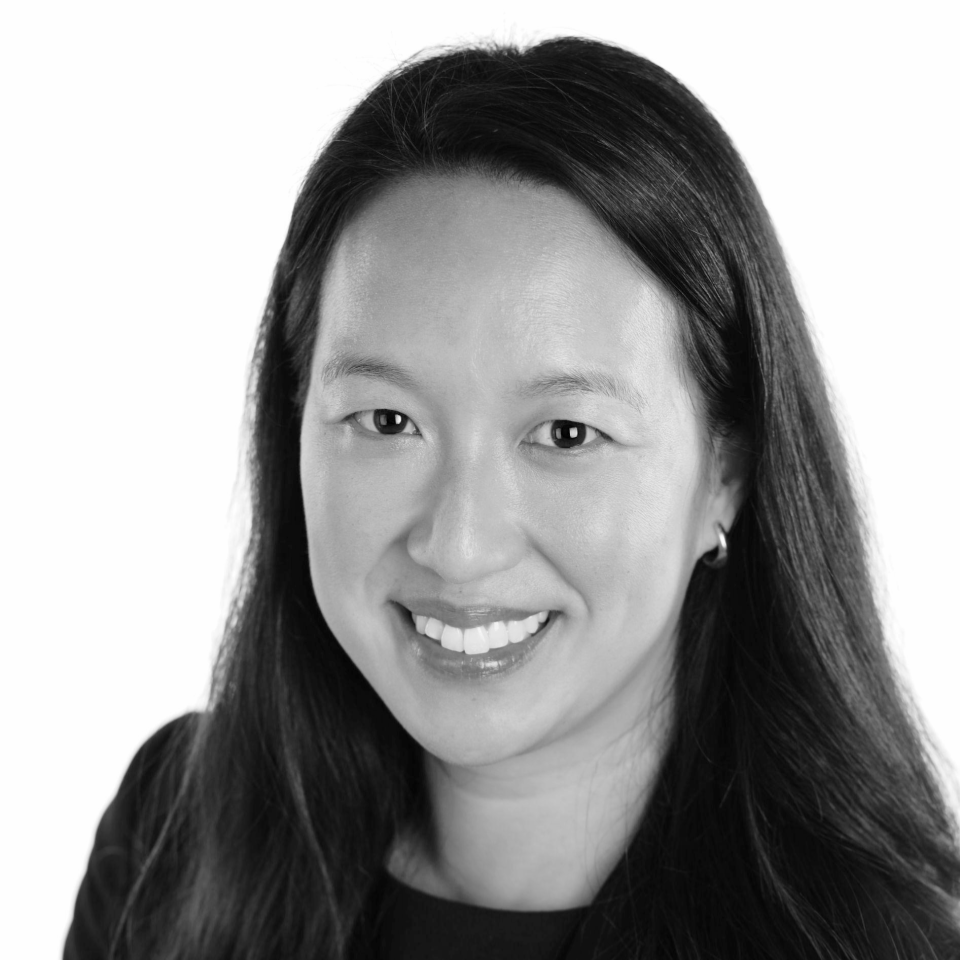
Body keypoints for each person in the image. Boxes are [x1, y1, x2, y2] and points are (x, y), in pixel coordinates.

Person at [65, 36, 960, 960]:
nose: (458, 545)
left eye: (566, 435)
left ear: (727, 471)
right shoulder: (174, 841)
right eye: (386, 420)